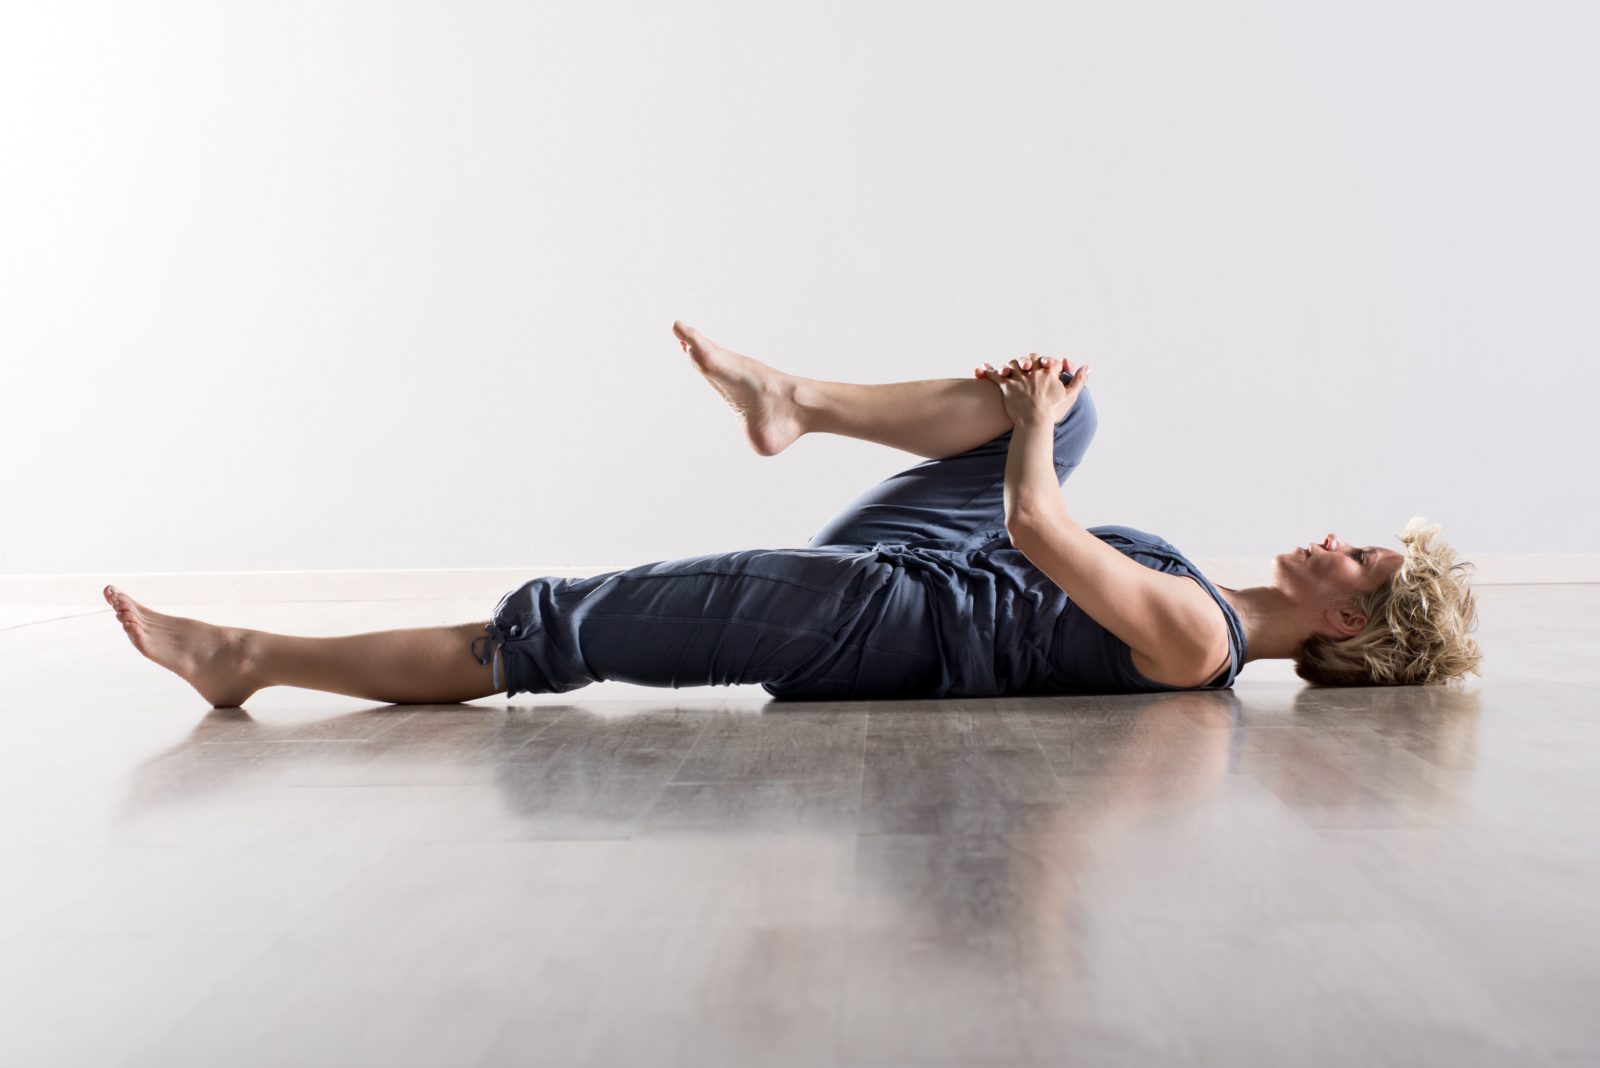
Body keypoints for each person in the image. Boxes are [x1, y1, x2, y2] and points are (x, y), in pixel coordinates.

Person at [105, 322, 1482, 708]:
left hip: (868, 622)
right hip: (915, 572)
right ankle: (796, 401)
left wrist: (1034, 433)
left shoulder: (1196, 640)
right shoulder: (1208, 600)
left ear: (1350, 613)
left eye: (1360, 552)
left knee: (549, 633)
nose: (1338, 532)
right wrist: (1046, 420)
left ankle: (255, 660)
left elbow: (1035, 538)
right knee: (1075, 412)